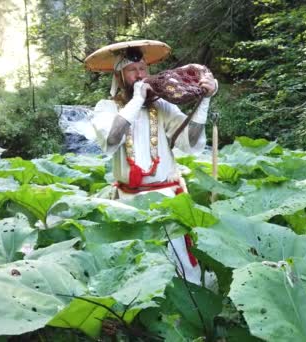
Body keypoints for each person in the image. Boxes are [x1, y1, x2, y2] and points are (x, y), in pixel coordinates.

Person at [86, 40, 217, 285]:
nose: (140, 75)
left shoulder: (162, 106)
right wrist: (135, 101)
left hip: (167, 199)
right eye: (132, 70)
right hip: (127, 202)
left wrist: (205, 100)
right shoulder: (106, 108)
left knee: (180, 265)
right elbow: (112, 138)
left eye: (143, 69)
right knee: (135, 268)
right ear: (119, 76)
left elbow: (191, 140)